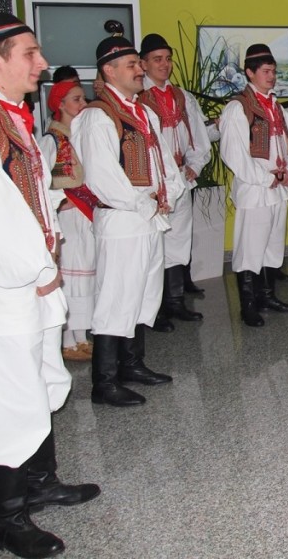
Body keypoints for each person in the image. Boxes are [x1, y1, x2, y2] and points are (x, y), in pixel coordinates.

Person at [0, 13, 100, 558]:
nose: (42, 63)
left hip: (31, 283)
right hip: (5, 286)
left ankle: (40, 483)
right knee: (5, 400)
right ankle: (6, 519)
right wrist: (38, 271)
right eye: (30, 53)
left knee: (38, 382)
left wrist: (47, 257)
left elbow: (37, 194)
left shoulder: (12, 117)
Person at [72, 35, 186, 407]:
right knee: (116, 296)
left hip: (149, 219)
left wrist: (170, 192)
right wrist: (143, 203)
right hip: (122, 222)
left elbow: (165, 162)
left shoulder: (145, 113)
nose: (140, 70)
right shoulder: (97, 116)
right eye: (132, 64)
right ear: (109, 70)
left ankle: (132, 364)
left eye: (139, 63)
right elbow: (102, 177)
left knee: (142, 293)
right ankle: (104, 382)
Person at [219, 44, 288, 327]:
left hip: (277, 189)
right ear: (250, 72)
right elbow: (234, 155)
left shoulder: (276, 108)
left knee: (272, 245)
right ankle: (248, 304)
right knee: (250, 248)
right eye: (266, 71)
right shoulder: (238, 108)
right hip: (255, 190)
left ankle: (267, 295)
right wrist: (268, 177)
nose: (272, 76)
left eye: (274, 71)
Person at [138, 32, 211, 329]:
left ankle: (176, 301)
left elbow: (198, 136)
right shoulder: (138, 99)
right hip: (154, 186)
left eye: (167, 59)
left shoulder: (182, 97)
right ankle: (154, 310)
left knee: (179, 241)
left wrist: (195, 164)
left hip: (180, 178)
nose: (164, 64)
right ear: (143, 64)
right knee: (155, 245)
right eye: (157, 59)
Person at [39, 71, 100, 363]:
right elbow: (41, 181)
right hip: (67, 218)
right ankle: (67, 340)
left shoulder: (80, 136)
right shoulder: (51, 140)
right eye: (76, 99)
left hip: (85, 216)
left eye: (83, 98)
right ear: (60, 104)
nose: (83, 104)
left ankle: (81, 335)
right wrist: (59, 203)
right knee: (72, 275)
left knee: (86, 275)